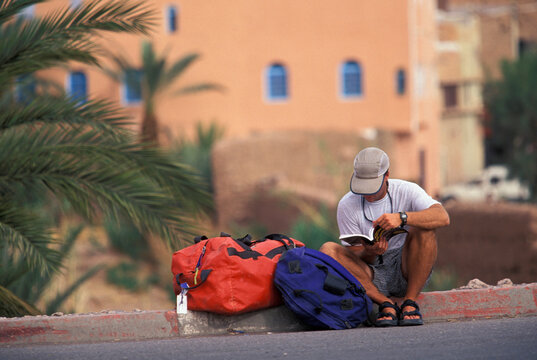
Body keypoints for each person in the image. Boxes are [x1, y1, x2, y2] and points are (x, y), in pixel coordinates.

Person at [320, 147, 450, 326]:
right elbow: (353, 259)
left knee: (424, 228)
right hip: (371, 275)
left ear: (387, 174)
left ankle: (409, 303)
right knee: (328, 250)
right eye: (363, 187)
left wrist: (403, 217)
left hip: (407, 269)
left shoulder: (407, 190)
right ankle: (385, 304)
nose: (368, 194)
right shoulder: (346, 204)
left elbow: (442, 217)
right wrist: (370, 252)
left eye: (372, 187)